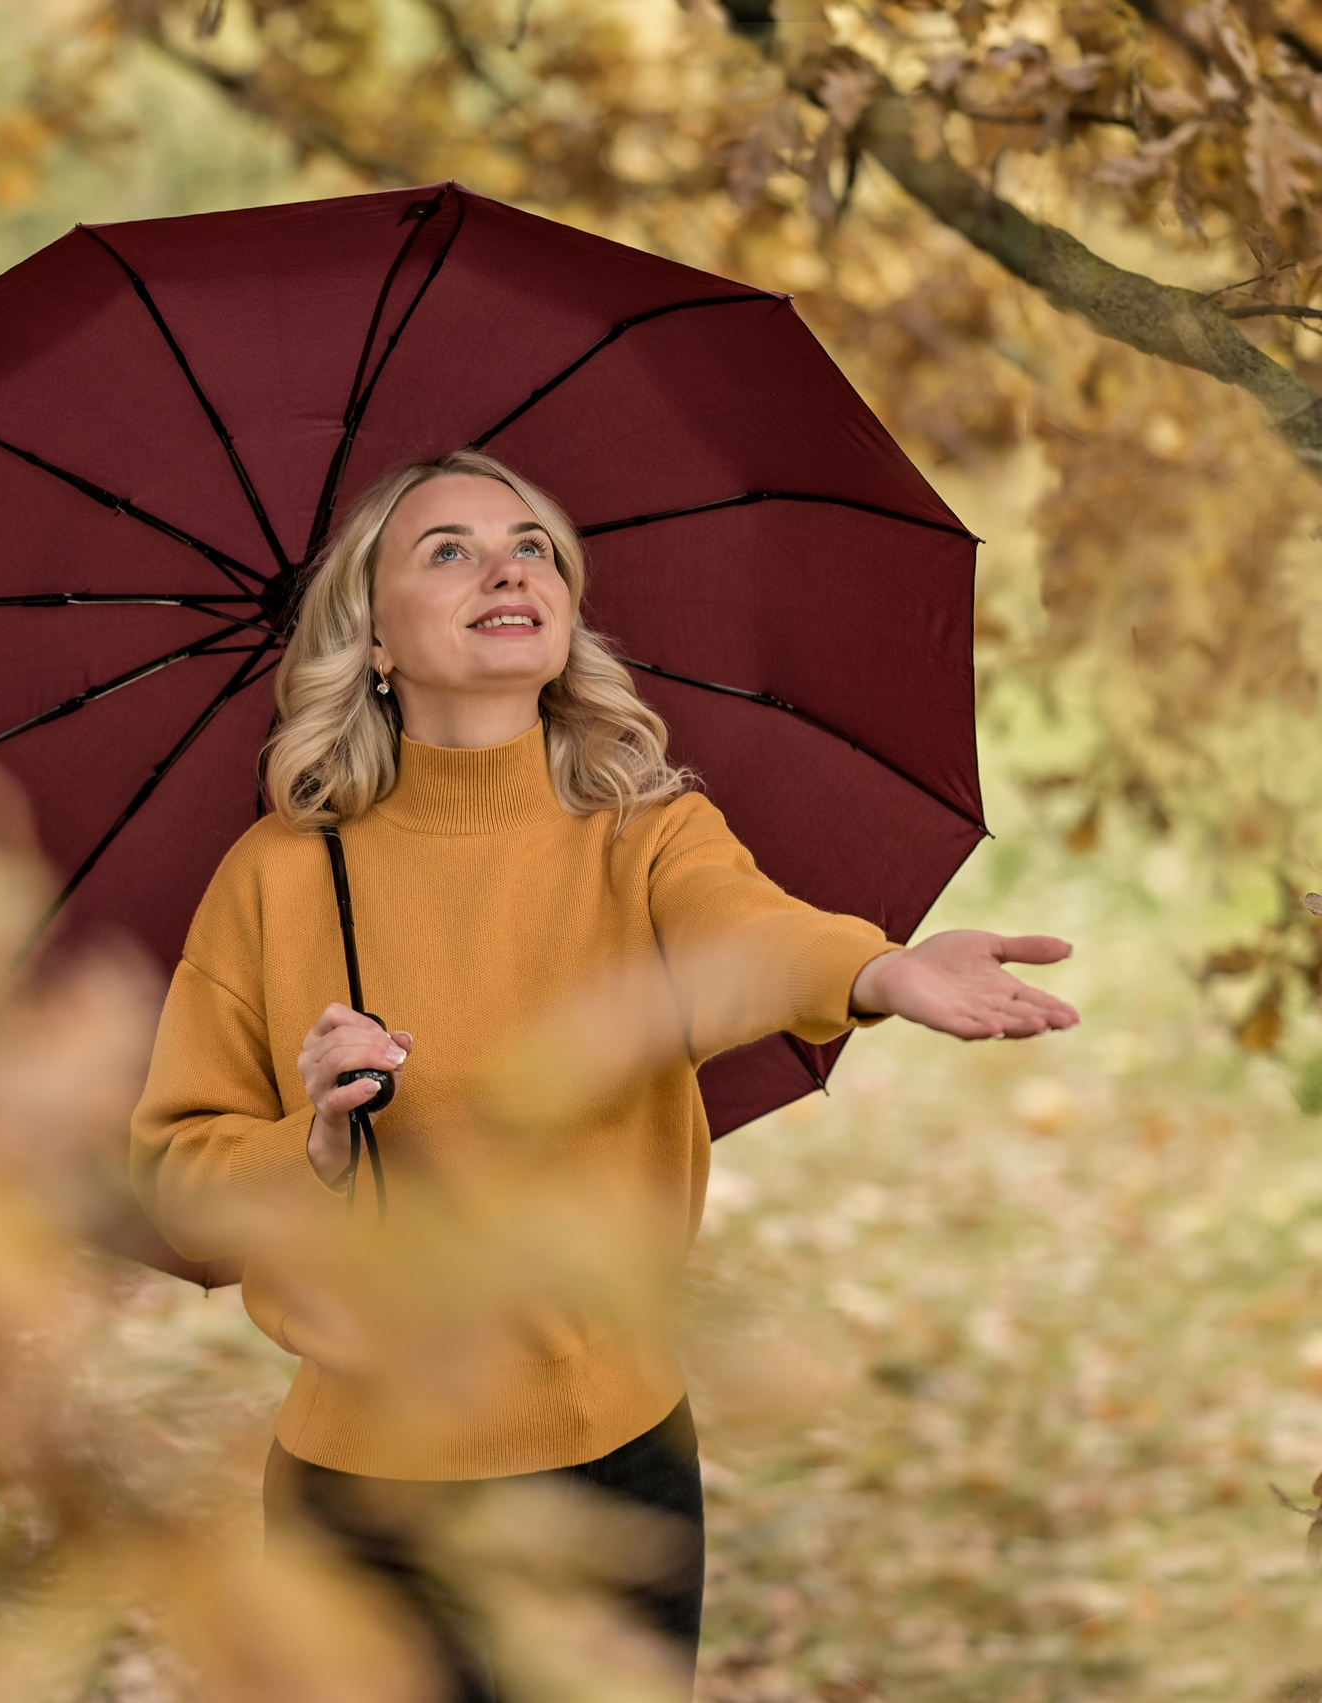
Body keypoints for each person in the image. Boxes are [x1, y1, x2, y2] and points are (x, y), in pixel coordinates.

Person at [128, 449, 1078, 1700]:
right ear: (372, 642)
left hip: (606, 1465)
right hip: (356, 1490)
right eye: (449, 550)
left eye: (532, 546)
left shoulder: (645, 833)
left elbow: (743, 930)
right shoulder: (278, 875)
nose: (507, 567)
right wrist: (308, 1146)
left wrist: (876, 970)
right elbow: (175, 1169)